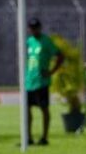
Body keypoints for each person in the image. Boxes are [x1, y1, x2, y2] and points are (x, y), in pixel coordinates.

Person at [25, 17, 64, 145]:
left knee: (44, 109)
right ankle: (28, 137)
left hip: (41, 81)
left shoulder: (46, 41)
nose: (34, 30)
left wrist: (51, 72)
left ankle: (44, 137)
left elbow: (60, 56)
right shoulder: (29, 41)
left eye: (36, 27)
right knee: (27, 109)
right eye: (31, 28)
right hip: (29, 80)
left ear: (40, 28)